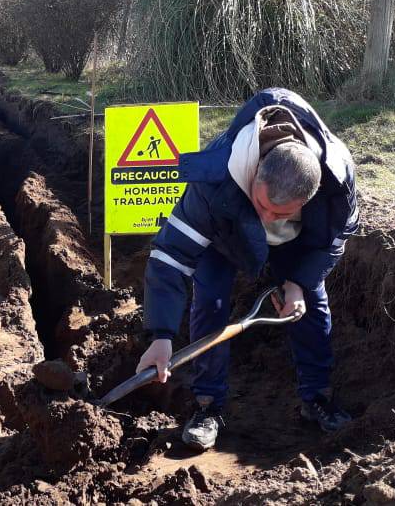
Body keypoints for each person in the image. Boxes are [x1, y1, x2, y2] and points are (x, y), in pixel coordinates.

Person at [136, 87, 359, 451]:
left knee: (311, 306)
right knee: (210, 302)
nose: (267, 218)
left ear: (310, 196)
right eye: (262, 204)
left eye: (280, 213)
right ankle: (207, 406)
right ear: (255, 172)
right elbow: (171, 256)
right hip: (226, 234)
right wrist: (160, 336)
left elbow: (335, 238)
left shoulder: (337, 182)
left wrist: (299, 282)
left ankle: (317, 398)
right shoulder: (215, 180)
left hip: (296, 242)